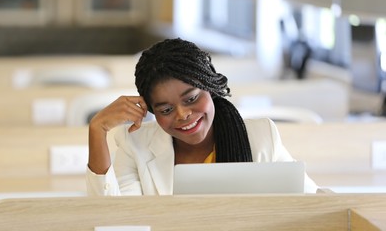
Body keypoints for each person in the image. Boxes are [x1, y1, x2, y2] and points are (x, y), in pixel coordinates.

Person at [86, 38, 319, 195]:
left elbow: (312, 202)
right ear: (151, 110)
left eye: (191, 99)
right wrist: (97, 130)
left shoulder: (262, 136)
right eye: (166, 110)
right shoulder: (134, 145)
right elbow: (116, 223)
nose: (183, 115)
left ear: (210, 87)